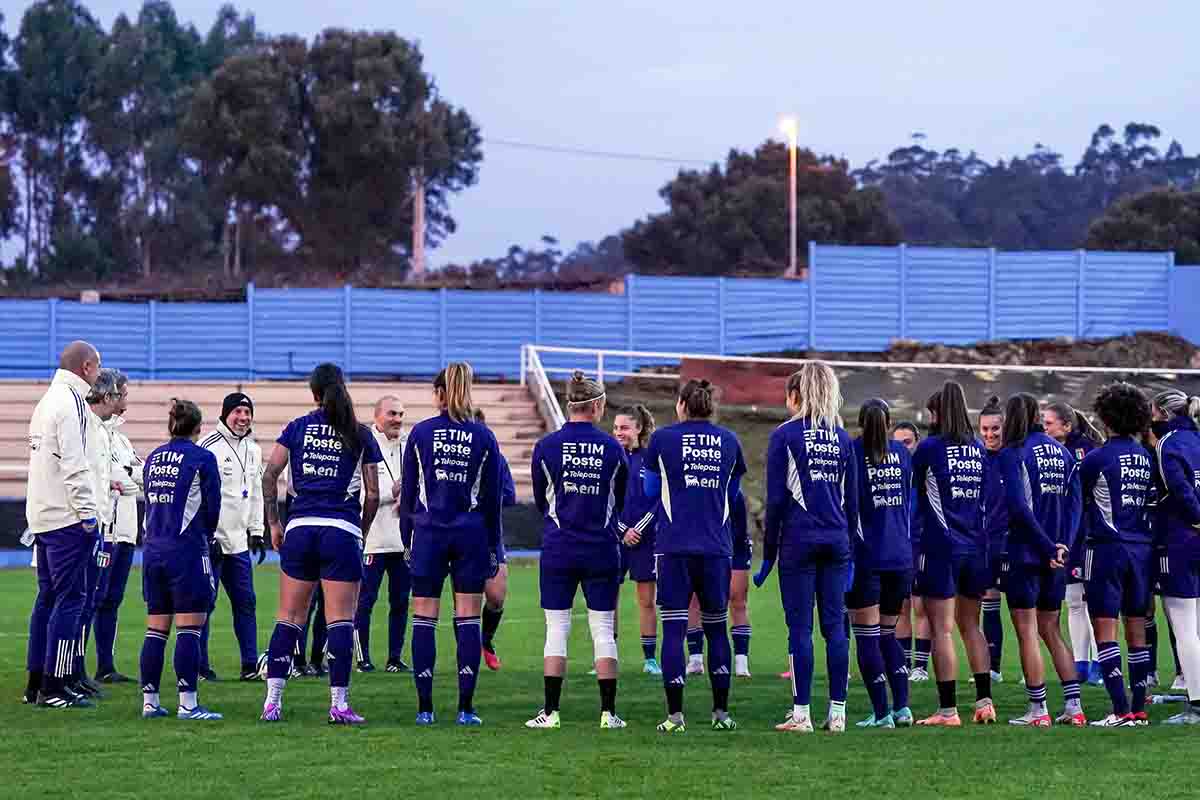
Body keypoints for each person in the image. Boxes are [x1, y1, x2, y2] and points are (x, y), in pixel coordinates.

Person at [259, 363, 382, 724]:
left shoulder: (297, 428)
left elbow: (270, 475)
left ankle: (272, 702)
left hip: (300, 528)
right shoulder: (359, 433)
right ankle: (339, 704)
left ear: (313, 393)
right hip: (340, 531)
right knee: (341, 620)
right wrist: (360, 528)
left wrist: (274, 523)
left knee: (289, 618)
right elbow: (372, 494)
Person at [756, 362, 857, 734]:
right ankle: (838, 713)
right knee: (835, 629)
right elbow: (853, 502)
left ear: (797, 394)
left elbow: (777, 501)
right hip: (837, 541)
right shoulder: (843, 438)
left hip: (799, 542)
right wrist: (852, 554)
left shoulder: (785, 436)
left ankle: (802, 714)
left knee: (799, 628)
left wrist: (768, 556)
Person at [400, 363, 503, 726]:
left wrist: (405, 539)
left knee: (425, 617)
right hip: (471, 535)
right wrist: (493, 546)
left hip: (428, 533)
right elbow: (492, 502)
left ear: (439, 394)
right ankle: (465, 708)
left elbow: (409, 496)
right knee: (468, 618)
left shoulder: (420, 433)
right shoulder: (484, 437)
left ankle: (425, 709)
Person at [524, 372, 628, 730]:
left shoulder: (546, 446)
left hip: (558, 547)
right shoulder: (614, 448)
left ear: (570, 405)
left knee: (556, 629)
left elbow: (541, 500)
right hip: (601, 547)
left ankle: (551, 713)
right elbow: (621, 499)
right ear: (597, 405)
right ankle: (607, 714)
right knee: (602, 629)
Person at [645, 379, 745, 733]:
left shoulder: (661, 440)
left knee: (673, 630)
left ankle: (675, 717)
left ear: (682, 405)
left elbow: (650, 488)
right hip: (716, 548)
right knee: (718, 630)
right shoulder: (730, 441)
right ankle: (721, 714)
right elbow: (733, 495)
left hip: (673, 547)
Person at [912, 382, 996, 726]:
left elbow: (912, 491)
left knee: (941, 629)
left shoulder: (929, 448)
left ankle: (947, 711)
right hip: (975, 547)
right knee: (971, 625)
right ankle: (985, 702)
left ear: (939, 412)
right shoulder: (978, 448)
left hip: (940, 547)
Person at [24, 341, 102, 708]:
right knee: (72, 600)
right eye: (97, 368)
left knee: (48, 599)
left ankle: (36, 680)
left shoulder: (45, 402)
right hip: (67, 518)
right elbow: (74, 464)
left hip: (42, 514)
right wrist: (88, 515)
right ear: (86, 367)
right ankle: (56, 686)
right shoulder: (71, 403)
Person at [998, 393, 1084, 727]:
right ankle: (1074, 708)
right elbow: (1077, 506)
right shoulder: (1062, 452)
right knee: (1052, 629)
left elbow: (1019, 508)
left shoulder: (1013, 453)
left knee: (1027, 631)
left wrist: (1048, 547)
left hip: (1027, 552)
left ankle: (1039, 710)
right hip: (1058, 556)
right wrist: (1063, 547)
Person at [138, 399, 224, 720]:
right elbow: (213, 508)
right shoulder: (203, 458)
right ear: (199, 428)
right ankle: (188, 703)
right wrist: (208, 536)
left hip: (152, 550)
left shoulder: (154, 458)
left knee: (156, 628)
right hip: (186, 550)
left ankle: (150, 701)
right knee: (190, 627)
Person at [1079, 382, 1156, 727]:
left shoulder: (1096, 459)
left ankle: (1120, 709)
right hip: (1142, 550)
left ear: (1106, 418)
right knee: (1136, 626)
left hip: (1106, 549)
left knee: (1105, 628)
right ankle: (1138, 708)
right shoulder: (1146, 457)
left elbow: (1078, 506)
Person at [847, 399, 914, 728]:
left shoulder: (852, 452)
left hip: (867, 557)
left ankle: (881, 713)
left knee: (867, 636)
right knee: (889, 634)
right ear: (888, 423)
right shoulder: (902, 453)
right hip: (901, 555)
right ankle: (903, 708)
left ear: (859, 422)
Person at [199, 392, 265, 682]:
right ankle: (200, 666)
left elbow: (256, 494)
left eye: (247, 412)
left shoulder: (254, 448)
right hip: (212, 540)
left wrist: (258, 531)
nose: (243, 418)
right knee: (205, 603)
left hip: (239, 543)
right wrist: (204, 533)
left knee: (246, 602)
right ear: (225, 414)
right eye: (237, 412)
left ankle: (249, 665)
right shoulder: (208, 446)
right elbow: (197, 495)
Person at [71, 369, 124, 695]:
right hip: (83, 528)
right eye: (119, 395)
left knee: (89, 600)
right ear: (107, 397)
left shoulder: (100, 430)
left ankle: (76, 671)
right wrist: (90, 522)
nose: (121, 401)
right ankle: (68, 673)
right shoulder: (87, 427)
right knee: (78, 601)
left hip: (99, 526)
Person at [1044, 401, 1104, 686]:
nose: (1045, 428)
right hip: (1067, 536)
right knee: (1073, 602)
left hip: (1089, 535)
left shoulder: (1088, 450)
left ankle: (1099, 663)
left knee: (1093, 600)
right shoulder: (1052, 452)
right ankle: (1080, 664)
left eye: (1049, 423)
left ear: (1066, 425)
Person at [1150, 388, 1200, 725]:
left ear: (1161, 414)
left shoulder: (1168, 443)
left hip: (1181, 538)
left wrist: (1196, 517)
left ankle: (1196, 703)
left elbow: (1178, 488)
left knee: (1183, 625)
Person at [354, 395, 411, 674]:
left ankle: (395, 658)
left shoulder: (409, 444)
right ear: (377, 415)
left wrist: (409, 496)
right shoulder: (364, 444)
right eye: (392, 414)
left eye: (401, 414)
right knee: (364, 601)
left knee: (401, 601)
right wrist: (394, 492)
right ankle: (362, 658)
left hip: (403, 541)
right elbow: (364, 493)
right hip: (373, 539)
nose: (397, 420)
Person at [94, 372, 142, 683]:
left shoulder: (122, 440)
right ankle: (74, 665)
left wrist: (124, 477)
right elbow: (111, 478)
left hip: (126, 532)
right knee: (95, 599)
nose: (125, 401)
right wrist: (125, 478)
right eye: (123, 394)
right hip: (106, 531)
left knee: (113, 600)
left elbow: (139, 477)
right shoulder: (95, 433)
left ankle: (105, 666)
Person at [613, 404, 661, 675]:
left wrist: (638, 530)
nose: (619, 432)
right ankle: (609, 656)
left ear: (638, 429)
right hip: (615, 540)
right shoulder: (610, 457)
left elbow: (657, 502)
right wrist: (622, 530)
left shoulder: (650, 459)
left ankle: (650, 659)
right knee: (609, 599)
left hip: (645, 540)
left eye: (624, 428)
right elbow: (605, 501)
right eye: (616, 428)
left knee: (646, 601)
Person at [477, 407, 517, 672]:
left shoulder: (497, 460)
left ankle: (485, 641)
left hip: (490, 534)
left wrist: (487, 500)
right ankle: (467, 655)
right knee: (464, 598)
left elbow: (510, 496)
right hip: (457, 533)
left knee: (496, 597)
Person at [892, 421, 931, 681]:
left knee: (921, 606)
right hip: (897, 545)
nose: (903, 448)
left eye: (907, 442)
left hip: (921, 544)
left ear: (916, 442)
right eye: (897, 443)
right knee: (900, 607)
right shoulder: (891, 472)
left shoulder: (924, 472)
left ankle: (920, 667)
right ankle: (904, 664)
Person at [979, 397, 1007, 685]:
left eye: (995, 429)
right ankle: (993, 667)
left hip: (1015, 542)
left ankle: (1029, 671)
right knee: (989, 600)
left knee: (1027, 610)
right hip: (988, 542)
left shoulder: (1014, 456)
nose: (989, 435)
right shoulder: (977, 458)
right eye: (985, 429)